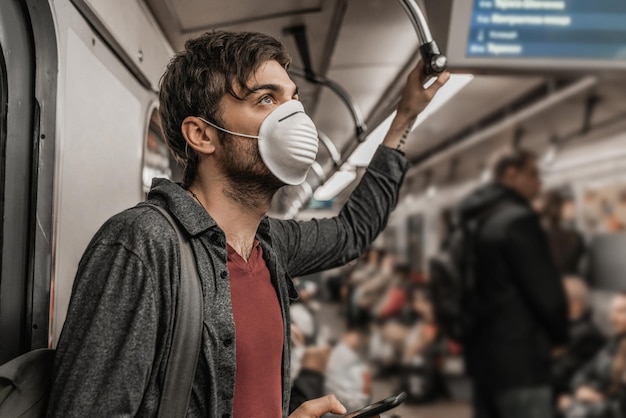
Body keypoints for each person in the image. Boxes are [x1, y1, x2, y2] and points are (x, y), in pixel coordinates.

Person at [46, 30, 449, 417]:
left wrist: (404, 118)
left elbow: (351, 232)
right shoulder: (143, 246)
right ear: (202, 135)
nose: (294, 117)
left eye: (293, 100)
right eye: (266, 99)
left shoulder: (269, 245)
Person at [457, 148, 569, 418]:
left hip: (481, 356)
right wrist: (560, 337)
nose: (539, 181)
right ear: (511, 174)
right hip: (521, 360)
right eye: (533, 173)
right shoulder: (518, 221)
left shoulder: (473, 219)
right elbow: (546, 293)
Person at [558, 293, 626, 418]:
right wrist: (580, 388)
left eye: (621, 311)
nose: (612, 317)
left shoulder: (588, 335)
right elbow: (582, 373)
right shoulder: (612, 344)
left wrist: (575, 405)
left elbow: (620, 408)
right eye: (613, 311)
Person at [552, 277, 605, 402]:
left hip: (571, 396)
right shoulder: (571, 330)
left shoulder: (585, 335)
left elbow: (560, 374)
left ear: (575, 304)